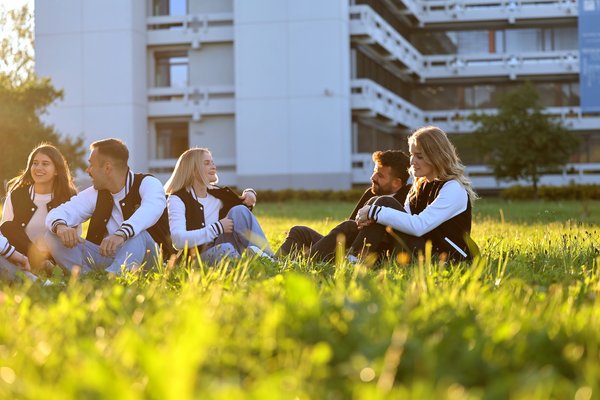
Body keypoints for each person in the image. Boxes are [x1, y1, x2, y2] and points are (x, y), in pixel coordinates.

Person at [45, 138, 175, 274]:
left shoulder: (148, 183)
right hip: (109, 258)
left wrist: (121, 234)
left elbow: (151, 209)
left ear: (107, 168)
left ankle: (112, 280)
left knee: (137, 234)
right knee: (51, 234)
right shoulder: (96, 193)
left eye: (91, 165)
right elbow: (59, 212)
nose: (87, 170)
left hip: (150, 261)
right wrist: (61, 227)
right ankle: (87, 278)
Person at [352, 126, 479, 263]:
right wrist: (373, 217)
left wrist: (374, 212)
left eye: (419, 156)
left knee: (383, 203)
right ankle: (336, 255)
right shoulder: (419, 186)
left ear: (436, 157)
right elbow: (403, 221)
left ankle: (352, 261)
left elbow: (419, 226)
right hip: (422, 249)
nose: (412, 161)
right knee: (361, 217)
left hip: (447, 258)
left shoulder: (453, 188)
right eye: (412, 155)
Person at [277, 150, 411, 261]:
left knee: (347, 227)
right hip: (348, 250)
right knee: (299, 231)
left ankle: (306, 263)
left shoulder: (406, 200)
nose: (373, 177)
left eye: (380, 175)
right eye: (375, 171)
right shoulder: (370, 193)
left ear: (396, 183)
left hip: (371, 257)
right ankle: (274, 261)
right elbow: (352, 226)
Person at [164, 147, 274, 263]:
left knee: (239, 211)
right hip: (197, 260)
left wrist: (250, 193)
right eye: (207, 163)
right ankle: (247, 268)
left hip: (224, 248)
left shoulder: (218, 195)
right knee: (225, 249)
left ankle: (270, 261)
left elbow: (243, 213)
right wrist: (218, 227)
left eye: (212, 162)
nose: (213, 167)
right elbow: (178, 240)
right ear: (193, 170)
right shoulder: (177, 198)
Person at [1, 144, 78, 274]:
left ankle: (50, 266)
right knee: (7, 226)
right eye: (35, 163)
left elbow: (74, 234)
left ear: (56, 170)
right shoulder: (16, 195)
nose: (38, 168)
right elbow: (5, 234)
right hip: (23, 256)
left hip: (56, 258)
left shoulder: (69, 196)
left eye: (45, 164)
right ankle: (41, 264)